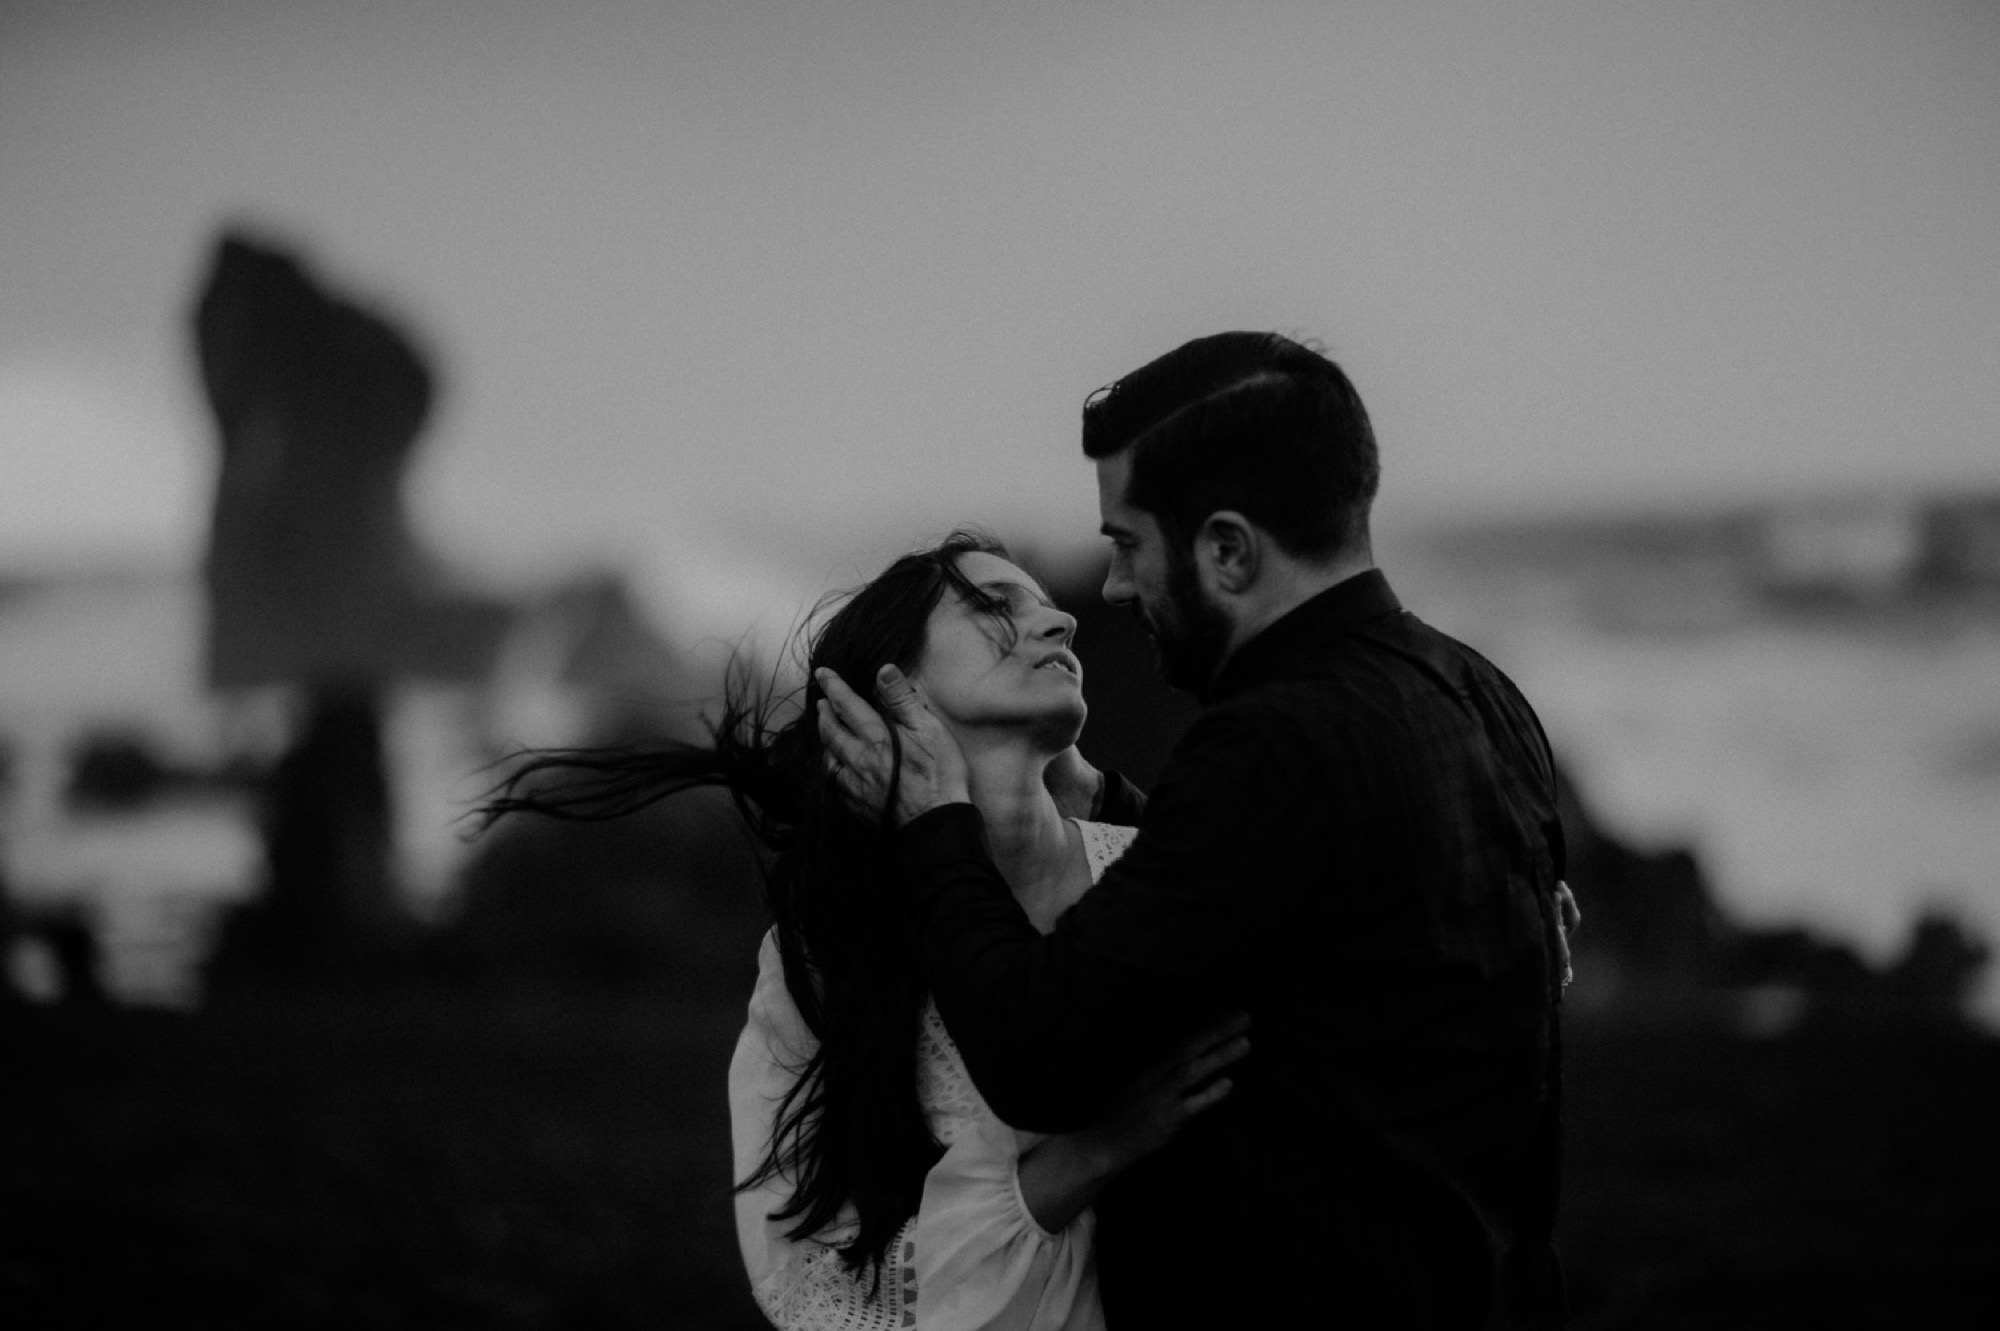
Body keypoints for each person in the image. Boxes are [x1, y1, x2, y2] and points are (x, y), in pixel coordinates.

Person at [817, 333, 1574, 1329]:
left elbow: (1041, 1054)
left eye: (1128, 543)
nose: (1115, 589)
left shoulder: (1273, 743)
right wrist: (1089, 797)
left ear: (1226, 549)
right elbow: (1259, 896)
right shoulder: (1481, 694)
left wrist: (934, 826)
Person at [480, 531, 1248, 1330]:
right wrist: (1089, 1155)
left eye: (1051, 610)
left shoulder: (1160, 876)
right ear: (895, 681)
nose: (1063, 625)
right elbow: (819, 1292)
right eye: (993, 607)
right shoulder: (825, 953)